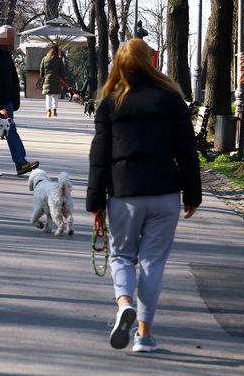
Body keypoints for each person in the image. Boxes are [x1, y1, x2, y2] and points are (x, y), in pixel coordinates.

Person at [86, 38, 201, 352]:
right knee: (153, 262)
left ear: (119, 66)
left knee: (122, 256)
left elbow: (100, 156)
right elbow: (187, 151)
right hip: (164, 191)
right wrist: (193, 193)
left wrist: (95, 201)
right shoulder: (171, 100)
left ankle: (124, 303)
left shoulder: (110, 103)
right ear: (152, 62)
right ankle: (144, 335)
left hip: (124, 192)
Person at [0, 25, 39, 176]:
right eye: (11, 38)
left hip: (5, 101)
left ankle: (21, 163)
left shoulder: (7, 55)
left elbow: (13, 77)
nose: (14, 41)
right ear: (3, 38)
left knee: (10, 129)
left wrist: (14, 99)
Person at [39, 44, 64, 117]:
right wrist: (62, 77)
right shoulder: (59, 60)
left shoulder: (44, 59)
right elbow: (62, 71)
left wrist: (42, 76)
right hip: (56, 80)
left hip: (47, 79)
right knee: (55, 96)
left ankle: (48, 111)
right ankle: (54, 110)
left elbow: (41, 69)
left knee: (48, 96)